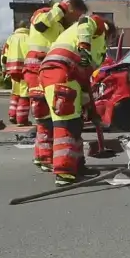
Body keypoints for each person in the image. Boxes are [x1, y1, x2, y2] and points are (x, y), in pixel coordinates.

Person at [39, 14, 115, 186]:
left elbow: (84, 78)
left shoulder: (81, 46)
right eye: (110, 41)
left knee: (75, 123)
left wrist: (89, 106)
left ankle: (77, 166)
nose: (108, 45)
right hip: (62, 73)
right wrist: (84, 47)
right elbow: (85, 21)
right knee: (66, 125)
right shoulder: (99, 27)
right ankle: (64, 171)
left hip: (62, 74)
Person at [25, 0, 88, 170]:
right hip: (38, 70)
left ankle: (43, 156)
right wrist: (59, 8)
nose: (77, 20)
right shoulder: (45, 14)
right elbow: (40, 24)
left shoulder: (61, 26)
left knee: (48, 116)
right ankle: (45, 158)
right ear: (70, 8)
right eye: (77, 15)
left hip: (48, 71)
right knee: (45, 116)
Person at [3, 21, 31, 126]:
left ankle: (12, 115)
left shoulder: (11, 38)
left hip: (12, 69)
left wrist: (4, 70)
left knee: (15, 93)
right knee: (25, 95)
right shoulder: (30, 38)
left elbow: (4, 56)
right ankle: (22, 119)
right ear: (27, 27)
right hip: (25, 69)